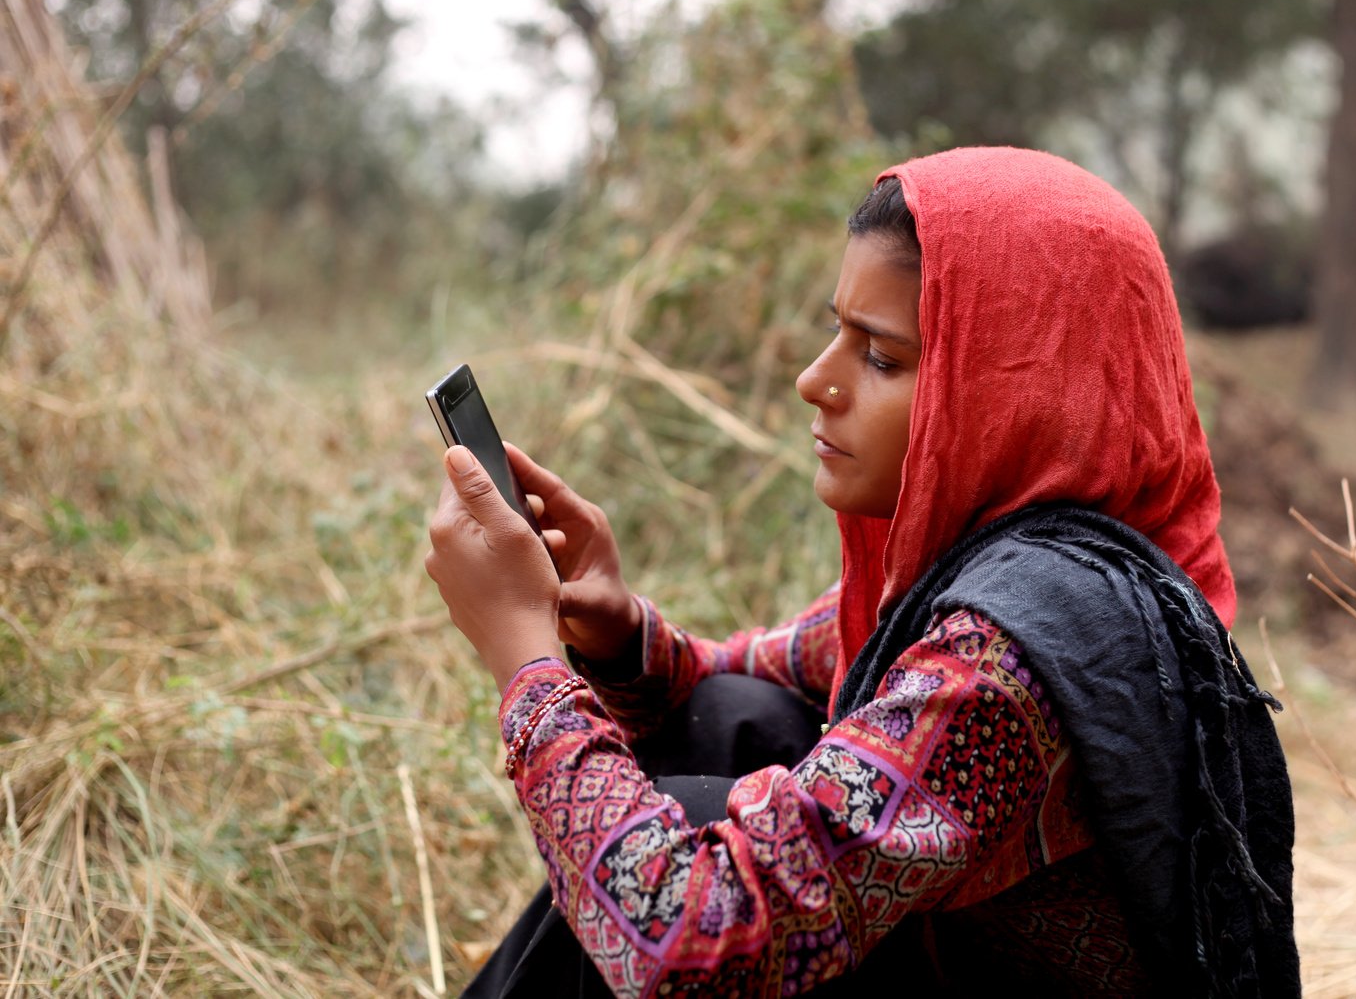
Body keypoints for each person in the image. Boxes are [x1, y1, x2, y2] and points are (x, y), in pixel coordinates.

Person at [425, 147, 1299, 998]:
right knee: (733, 718)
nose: (815, 381)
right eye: (835, 335)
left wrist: (526, 660)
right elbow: (735, 677)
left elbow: (696, 944)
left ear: (1015, 393)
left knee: (692, 832)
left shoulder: (1008, 661)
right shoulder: (1004, 562)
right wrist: (617, 635)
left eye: (879, 357)